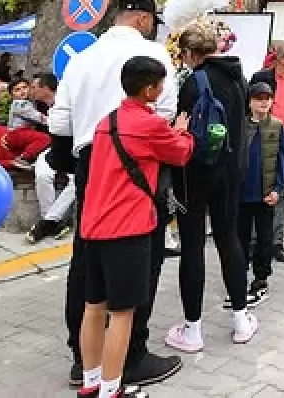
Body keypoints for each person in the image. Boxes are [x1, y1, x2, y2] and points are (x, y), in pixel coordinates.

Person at [48, 0, 183, 389]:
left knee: (87, 258)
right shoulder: (155, 56)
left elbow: (60, 120)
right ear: (143, 19)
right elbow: (165, 115)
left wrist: (74, 167)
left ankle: (83, 359)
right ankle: (131, 356)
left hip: (90, 160)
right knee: (141, 260)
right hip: (138, 162)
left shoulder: (81, 57)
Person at [77, 56, 194, 398]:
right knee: (123, 313)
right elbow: (180, 153)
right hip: (128, 228)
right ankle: (113, 389)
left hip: (94, 226)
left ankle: (91, 382)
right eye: (159, 84)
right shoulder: (151, 124)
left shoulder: (106, 121)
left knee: (93, 307)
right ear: (149, 89)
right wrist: (183, 131)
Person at [164, 19, 257, 354]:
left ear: (190, 52)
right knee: (228, 239)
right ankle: (241, 320)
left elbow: (182, 127)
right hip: (231, 173)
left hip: (195, 174)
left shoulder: (193, 82)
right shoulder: (238, 78)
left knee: (192, 246)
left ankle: (192, 330)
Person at [250, 39, 284, 264]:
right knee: (256, 185)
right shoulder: (261, 78)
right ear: (281, 58)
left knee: (282, 187)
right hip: (260, 136)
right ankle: (254, 241)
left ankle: (276, 241)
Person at [237, 82, 284, 305]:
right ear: (249, 101)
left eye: (268, 98)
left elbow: (283, 162)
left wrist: (278, 190)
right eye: (259, 98)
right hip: (241, 194)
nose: (264, 102)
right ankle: (238, 277)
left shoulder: (277, 127)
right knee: (240, 238)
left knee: (264, 239)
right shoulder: (239, 126)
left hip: (265, 194)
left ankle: (261, 278)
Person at [28, 73, 77, 244]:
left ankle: (47, 222)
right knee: (42, 175)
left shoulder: (70, 105)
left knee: (77, 181)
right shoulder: (35, 107)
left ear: (46, 88)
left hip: (72, 151)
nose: (31, 91)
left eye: (34, 87)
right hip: (49, 150)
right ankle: (50, 221)